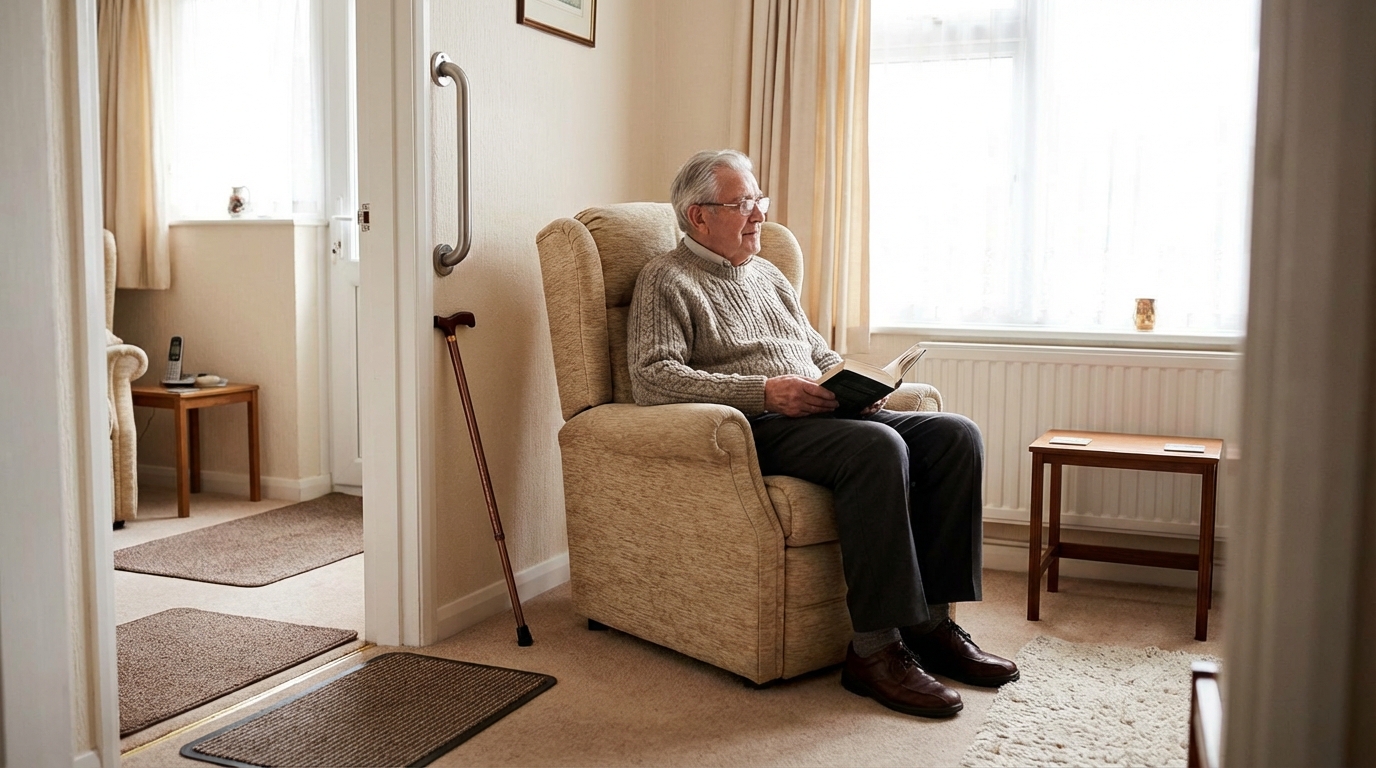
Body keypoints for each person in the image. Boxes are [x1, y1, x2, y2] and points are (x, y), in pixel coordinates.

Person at [627, 149, 1018, 719]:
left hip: (823, 412)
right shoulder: (665, 279)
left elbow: (814, 349)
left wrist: (859, 383)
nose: (759, 213)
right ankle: (875, 652)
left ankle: (932, 626)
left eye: (758, 200)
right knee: (879, 447)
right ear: (698, 216)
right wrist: (767, 393)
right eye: (743, 204)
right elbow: (652, 378)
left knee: (956, 436)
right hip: (758, 427)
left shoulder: (767, 274)